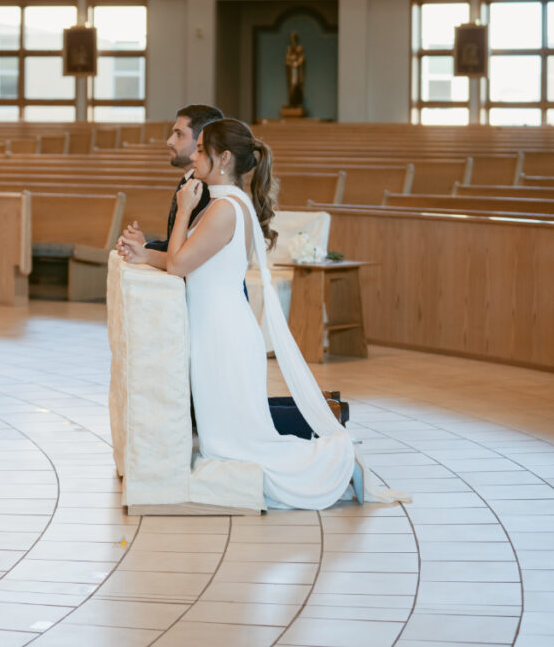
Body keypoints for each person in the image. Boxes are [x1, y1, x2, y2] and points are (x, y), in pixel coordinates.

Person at [163, 117, 408, 510]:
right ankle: (334, 468)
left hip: (221, 336)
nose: (193, 154)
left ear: (222, 158)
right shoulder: (231, 203)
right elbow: (194, 259)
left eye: (201, 147)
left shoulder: (223, 208)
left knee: (233, 447)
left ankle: (338, 466)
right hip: (220, 331)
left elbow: (178, 265)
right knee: (229, 442)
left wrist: (183, 206)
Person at [116, 104, 223, 269]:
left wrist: (144, 254)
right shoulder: (190, 181)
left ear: (203, 140)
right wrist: (145, 245)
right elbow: (177, 244)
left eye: (179, 135)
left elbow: (187, 259)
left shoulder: (206, 191)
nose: (169, 141)